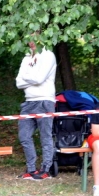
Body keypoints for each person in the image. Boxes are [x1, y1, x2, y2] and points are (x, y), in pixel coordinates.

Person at [16, 35, 57, 180]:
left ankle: (46, 169)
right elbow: (18, 83)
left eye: (35, 37)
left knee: (45, 136)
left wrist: (26, 76)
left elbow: (39, 79)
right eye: (29, 38)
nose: (32, 42)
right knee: (24, 136)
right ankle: (31, 169)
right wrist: (32, 77)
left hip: (45, 100)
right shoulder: (26, 58)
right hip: (28, 102)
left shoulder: (48, 55)